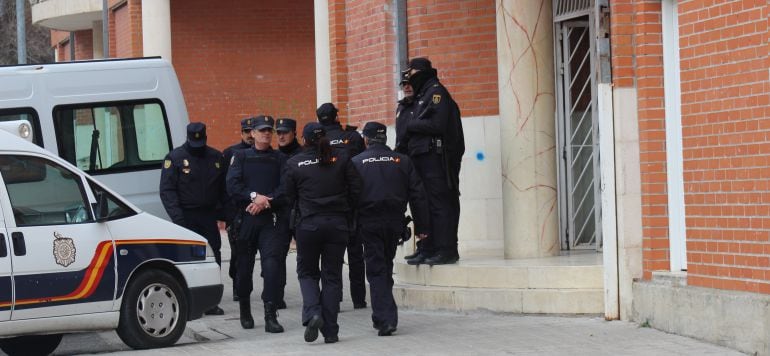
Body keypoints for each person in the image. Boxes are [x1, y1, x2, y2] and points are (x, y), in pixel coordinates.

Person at [284, 122, 362, 344]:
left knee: (307, 273)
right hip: (337, 224)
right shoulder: (342, 158)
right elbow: (356, 189)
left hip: (308, 225)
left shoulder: (294, 163)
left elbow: (289, 197)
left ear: (304, 140)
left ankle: (313, 312)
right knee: (332, 277)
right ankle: (331, 331)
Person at [352, 122, 429, 336]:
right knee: (384, 265)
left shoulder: (356, 162)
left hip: (369, 222)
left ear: (366, 140)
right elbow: (418, 195)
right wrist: (423, 227)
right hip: (394, 222)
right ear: (384, 138)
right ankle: (383, 315)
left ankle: (386, 318)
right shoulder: (402, 161)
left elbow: (350, 197)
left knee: (377, 269)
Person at [226, 115, 288, 333]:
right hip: (246, 221)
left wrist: (265, 202)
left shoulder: (279, 159)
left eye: (269, 130)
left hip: (270, 221)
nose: (267, 134)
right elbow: (233, 186)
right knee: (244, 269)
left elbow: (285, 189)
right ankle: (245, 310)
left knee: (272, 267)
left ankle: (271, 315)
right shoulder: (241, 157)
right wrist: (254, 197)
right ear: (252, 133)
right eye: (262, 130)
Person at [402, 57, 465, 266]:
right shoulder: (423, 95)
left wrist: (411, 124)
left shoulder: (436, 92)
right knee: (424, 206)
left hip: (435, 161)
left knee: (440, 205)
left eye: (411, 73)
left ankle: (446, 249)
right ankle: (427, 247)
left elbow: (437, 124)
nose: (408, 78)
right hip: (421, 159)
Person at [159, 122, 226, 315]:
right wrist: (179, 220)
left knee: (213, 255)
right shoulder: (175, 158)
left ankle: (210, 302)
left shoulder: (215, 157)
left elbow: (223, 190)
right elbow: (167, 191)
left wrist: (226, 215)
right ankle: (188, 301)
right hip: (186, 217)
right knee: (188, 259)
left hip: (207, 215)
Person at [316, 103, 367, 309]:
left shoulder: (318, 139)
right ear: (337, 117)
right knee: (356, 254)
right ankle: (359, 299)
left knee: (330, 257)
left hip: (328, 204)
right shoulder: (352, 137)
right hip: (351, 203)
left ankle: (333, 300)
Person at [222, 117, 257, 302]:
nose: (250, 136)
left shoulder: (261, 152)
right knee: (238, 252)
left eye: (253, 132)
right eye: (246, 132)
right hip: (235, 211)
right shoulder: (230, 153)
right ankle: (237, 282)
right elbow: (223, 186)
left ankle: (243, 287)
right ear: (241, 133)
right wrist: (226, 216)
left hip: (254, 209)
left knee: (249, 252)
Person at [395, 72, 425, 261]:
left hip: (418, 162)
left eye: (410, 83)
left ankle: (424, 245)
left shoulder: (421, 105)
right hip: (404, 161)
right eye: (403, 84)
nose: (406, 87)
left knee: (421, 205)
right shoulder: (402, 107)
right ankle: (417, 244)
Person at [273, 117, 301, 309]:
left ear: (294, 133)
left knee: (307, 256)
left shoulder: (303, 155)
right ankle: (277, 295)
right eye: (279, 133)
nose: (281, 136)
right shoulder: (273, 156)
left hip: (300, 210)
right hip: (282, 211)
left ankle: (312, 292)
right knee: (277, 254)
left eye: (285, 132)